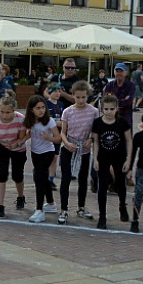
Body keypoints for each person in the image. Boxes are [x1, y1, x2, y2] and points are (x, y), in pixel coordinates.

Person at [57, 81, 98, 223]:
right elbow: (63, 132)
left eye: (83, 97)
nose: (80, 100)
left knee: (82, 180)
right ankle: (63, 209)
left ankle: (81, 207)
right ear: (73, 95)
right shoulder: (67, 111)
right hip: (69, 148)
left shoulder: (93, 111)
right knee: (66, 179)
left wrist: (91, 140)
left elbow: (95, 131)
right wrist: (67, 143)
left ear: (87, 96)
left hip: (84, 150)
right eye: (78, 97)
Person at [90, 94, 132, 230]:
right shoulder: (97, 123)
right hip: (103, 157)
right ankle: (102, 216)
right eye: (106, 109)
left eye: (111, 109)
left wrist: (129, 160)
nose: (109, 112)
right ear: (102, 108)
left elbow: (129, 141)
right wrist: (95, 158)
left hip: (119, 156)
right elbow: (95, 142)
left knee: (121, 184)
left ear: (116, 109)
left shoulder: (123, 123)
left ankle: (122, 206)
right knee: (102, 186)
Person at [0, 94, 27, 218]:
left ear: (14, 111)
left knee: (17, 175)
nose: (4, 115)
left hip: (17, 146)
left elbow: (22, 137)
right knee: (2, 173)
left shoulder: (20, 119)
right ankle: (0, 205)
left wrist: (15, 145)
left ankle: (21, 196)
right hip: (2, 146)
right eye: (2, 112)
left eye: (8, 112)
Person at [23, 95, 60, 223]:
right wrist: (20, 141)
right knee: (42, 178)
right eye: (38, 108)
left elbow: (58, 138)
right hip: (35, 153)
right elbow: (29, 135)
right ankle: (50, 203)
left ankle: (39, 210)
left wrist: (49, 138)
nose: (41, 110)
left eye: (43, 107)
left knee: (38, 177)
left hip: (47, 152)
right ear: (31, 109)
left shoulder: (49, 121)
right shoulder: (30, 121)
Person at [103, 63, 137, 129]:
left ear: (126, 73)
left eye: (121, 71)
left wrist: (113, 100)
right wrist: (122, 100)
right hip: (111, 117)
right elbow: (106, 99)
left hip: (126, 117)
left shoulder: (131, 86)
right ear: (114, 72)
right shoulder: (109, 85)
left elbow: (128, 101)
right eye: (117, 71)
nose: (119, 73)